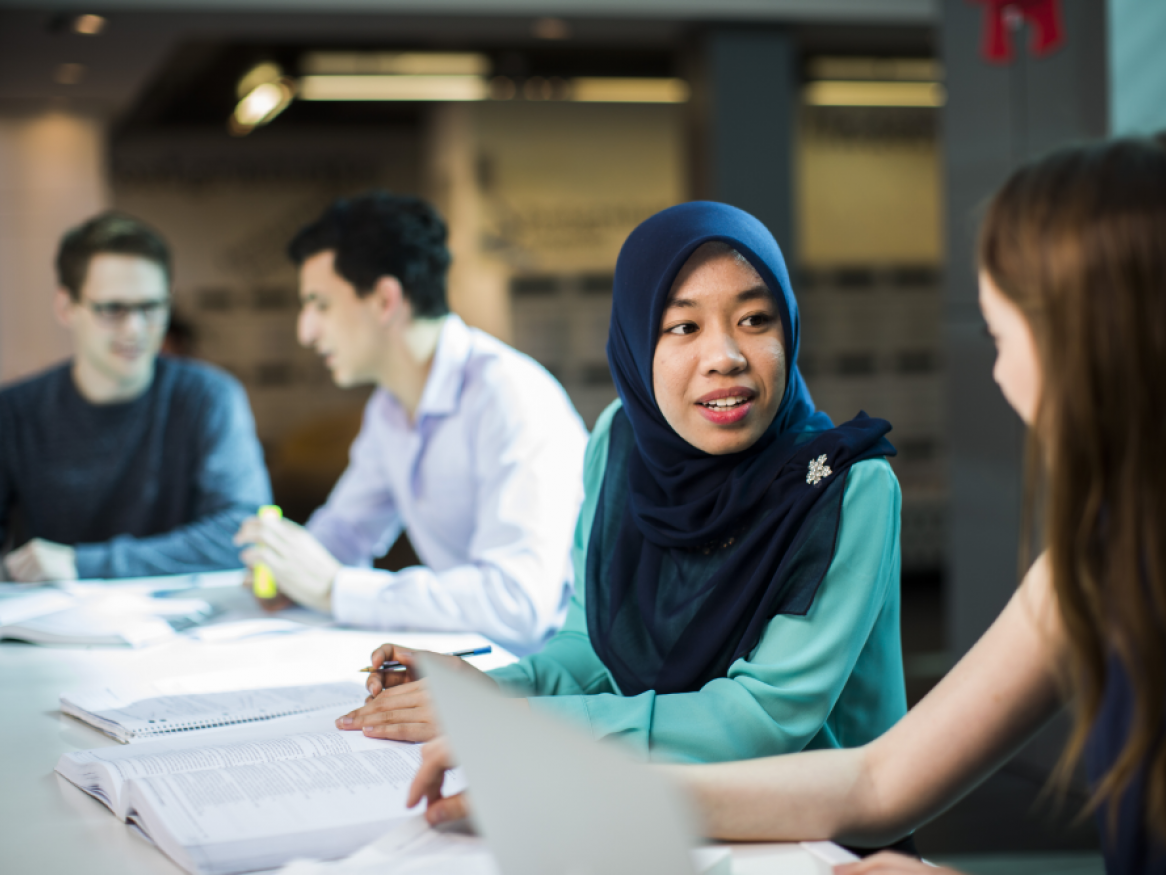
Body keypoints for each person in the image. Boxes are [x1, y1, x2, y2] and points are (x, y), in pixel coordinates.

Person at [411, 140, 1166, 874]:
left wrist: (550, 746)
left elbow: (777, 724)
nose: (1000, 373)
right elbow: (878, 780)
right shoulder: (1097, 558)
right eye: (682, 325)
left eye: (1005, 334)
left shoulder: (844, 482)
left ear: (1103, 340)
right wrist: (538, 742)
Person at [338, 201, 907, 770]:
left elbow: (759, 719)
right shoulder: (623, 442)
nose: (725, 357)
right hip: (656, 801)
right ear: (636, 344)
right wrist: (486, 690)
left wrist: (510, 721)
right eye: (684, 327)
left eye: (755, 320)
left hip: (814, 838)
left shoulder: (844, 488)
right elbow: (591, 647)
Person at [234, 192, 586, 656]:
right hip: (478, 665)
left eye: (319, 304)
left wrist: (336, 589)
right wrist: (286, 568)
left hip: (558, 682)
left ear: (384, 300)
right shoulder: (389, 407)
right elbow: (345, 533)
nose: (306, 331)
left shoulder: (510, 397)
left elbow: (517, 606)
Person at [0, 211, 270, 581]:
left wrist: (83, 564)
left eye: (151, 307)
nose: (135, 329)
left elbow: (247, 533)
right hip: (49, 627)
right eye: (112, 309)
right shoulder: (14, 411)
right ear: (66, 307)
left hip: (189, 623)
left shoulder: (208, 396)